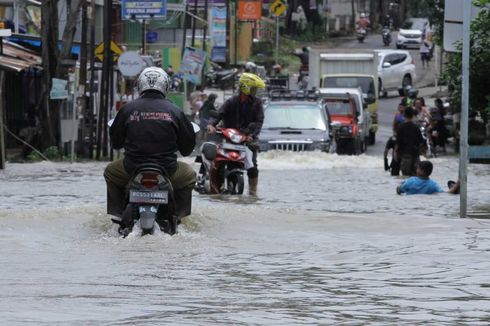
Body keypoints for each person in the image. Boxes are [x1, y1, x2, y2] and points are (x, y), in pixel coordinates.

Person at [104, 67, 196, 225]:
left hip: (132, 168)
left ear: (140, 85)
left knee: (110, 172)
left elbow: (116, 144)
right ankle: (180, 218)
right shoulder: (175, 111)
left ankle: (118, 214)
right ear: (166, 86)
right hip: (168, 169)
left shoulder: (127, 109)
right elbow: (186, 149)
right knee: (190, 176)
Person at [206, 73, 266, 196]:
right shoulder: (231, 101)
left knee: (253, 166)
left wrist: (252, 135)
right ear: (245, 88)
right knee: (220, 162)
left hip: (247, 138)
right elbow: (219, 114)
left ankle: (253, 194)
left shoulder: (257, 103)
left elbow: (259, 121)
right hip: (230, 137)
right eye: (253, 88)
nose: (255, 91)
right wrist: (212, 125)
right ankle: (218, 188)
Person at [395, 106, 424, 176]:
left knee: (406, 177)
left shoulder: (401, 127)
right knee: (416, 177)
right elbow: (421, 142)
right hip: (415, 154)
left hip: (405, 155)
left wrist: (395, 153)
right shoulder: (416, 127)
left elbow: (398, 142)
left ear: (404, 115)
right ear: (413, 115)